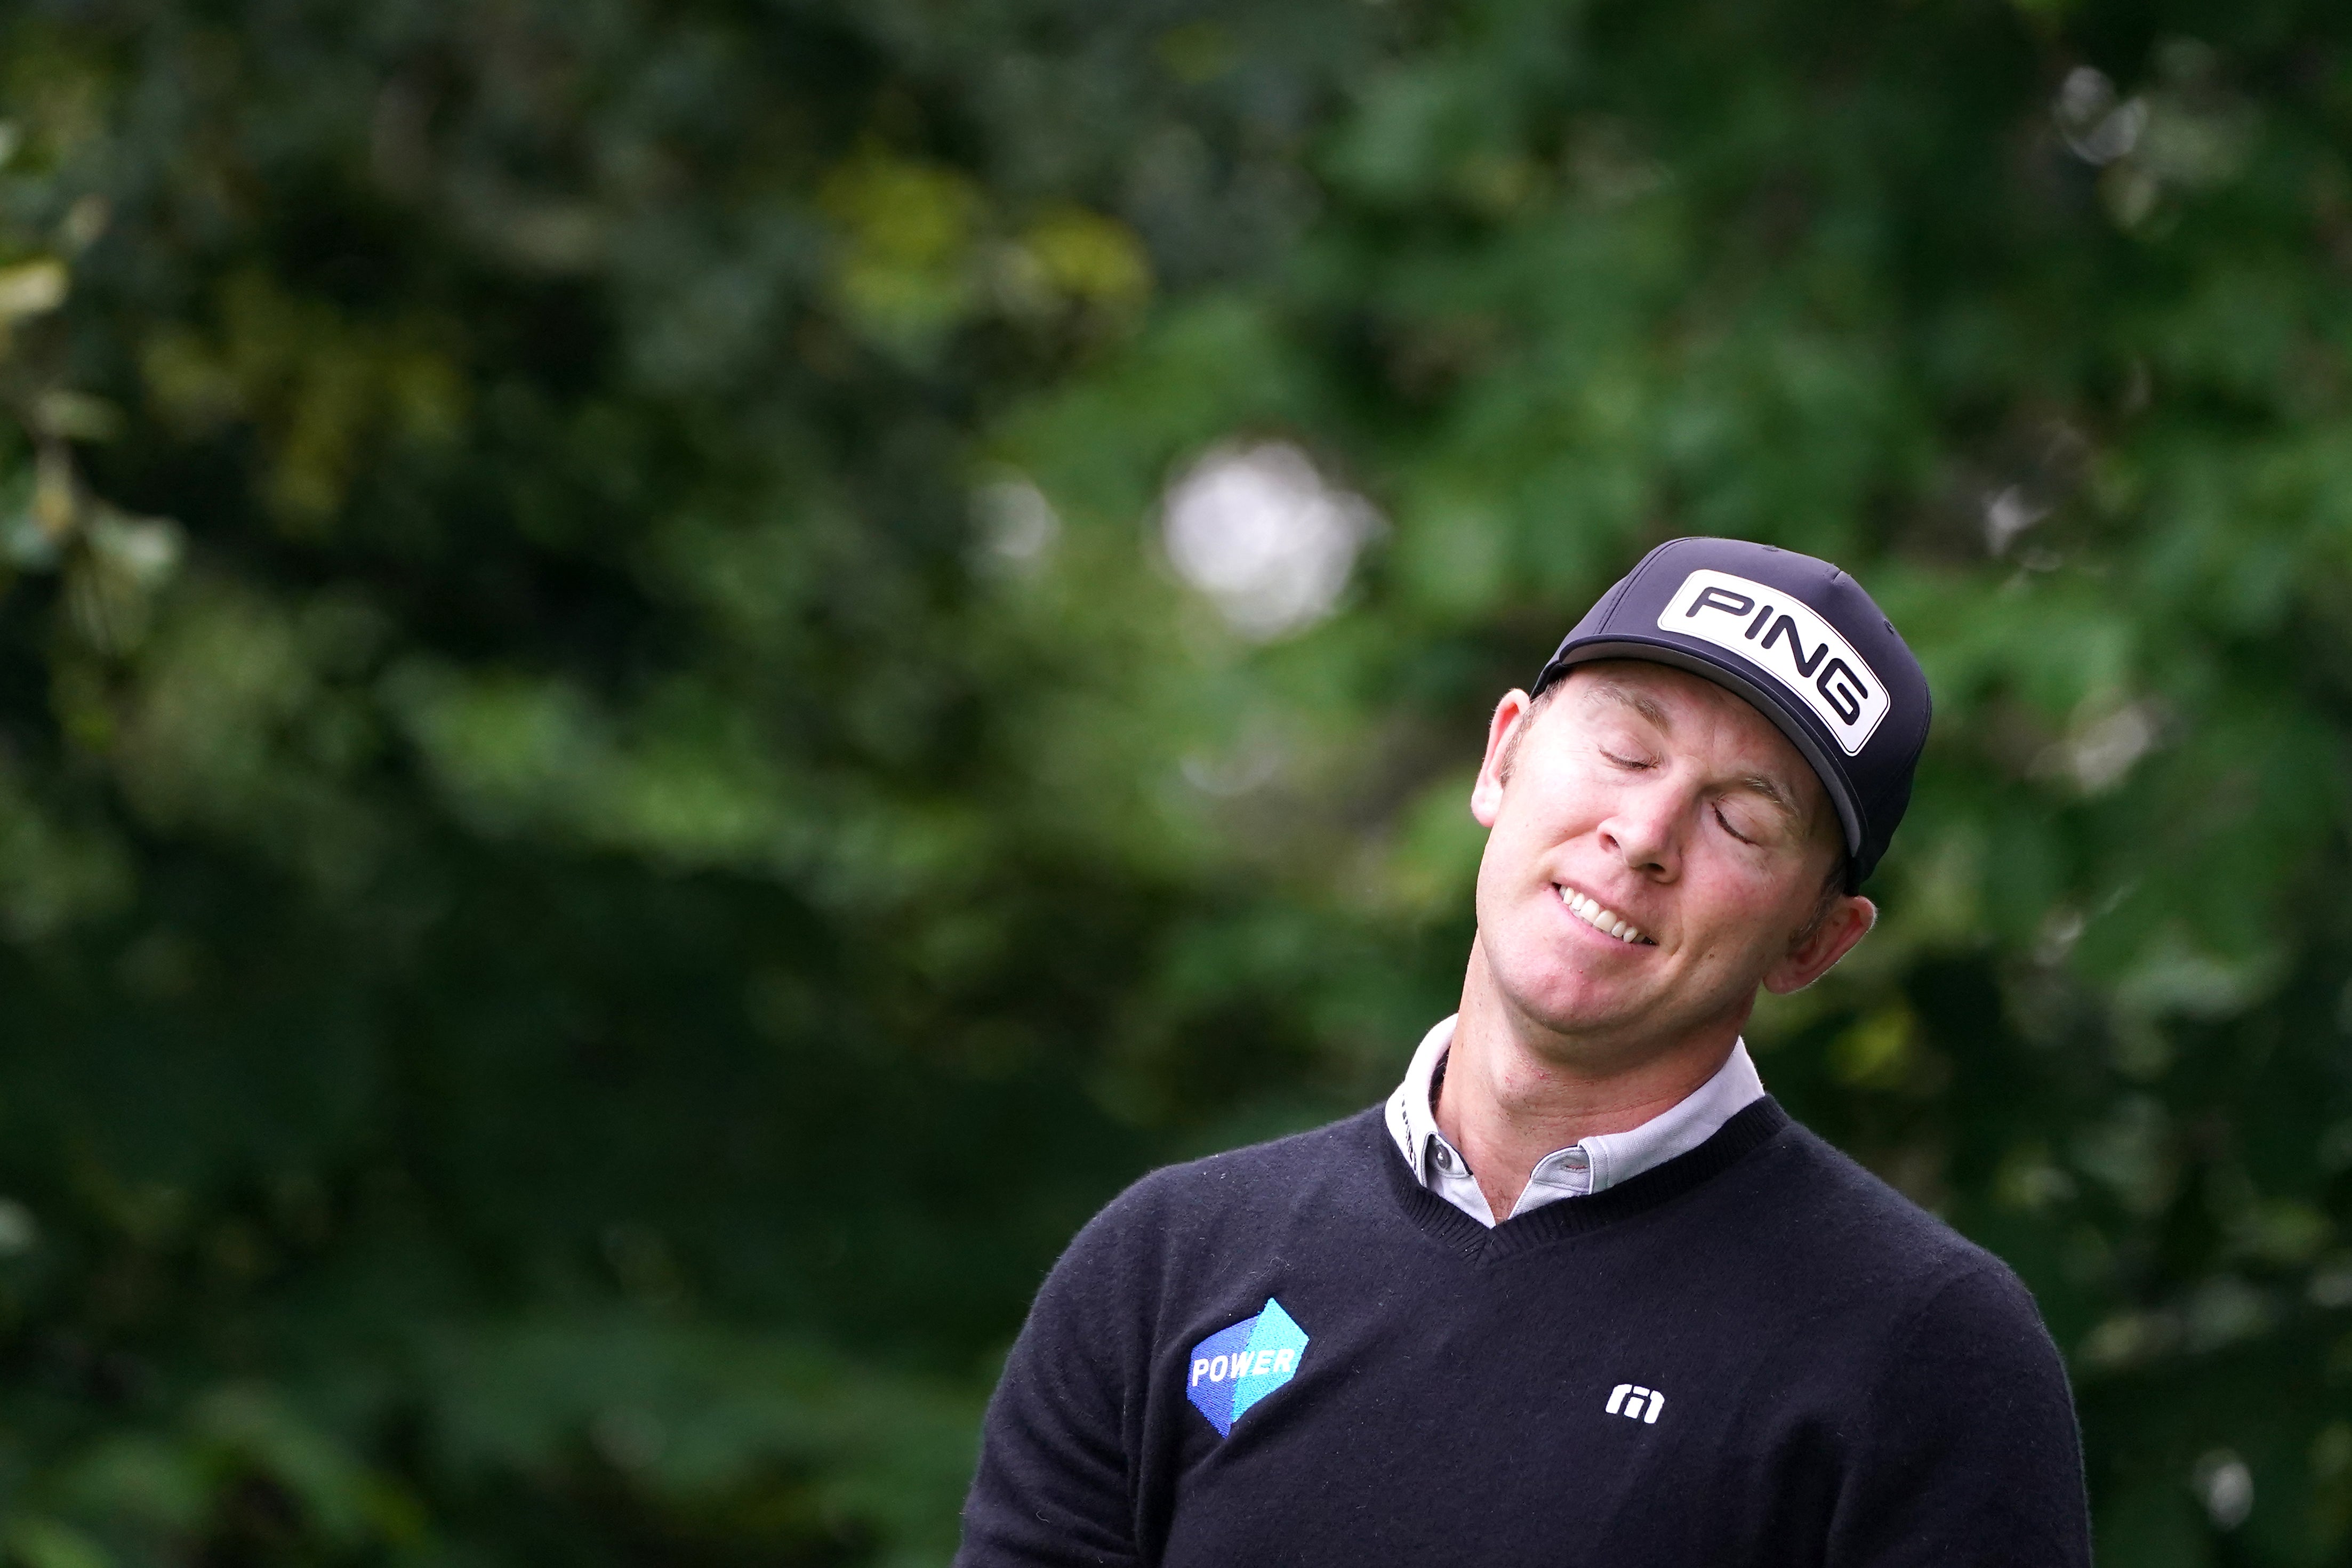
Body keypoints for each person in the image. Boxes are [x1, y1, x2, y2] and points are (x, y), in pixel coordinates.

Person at [955, 537, 2091, 1567]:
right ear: (1503, 756)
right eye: (1624, 750)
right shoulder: (1167, 1266)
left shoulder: (1925, 1350)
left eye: (1740, 821)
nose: (1643, 837)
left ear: (1814, 940)